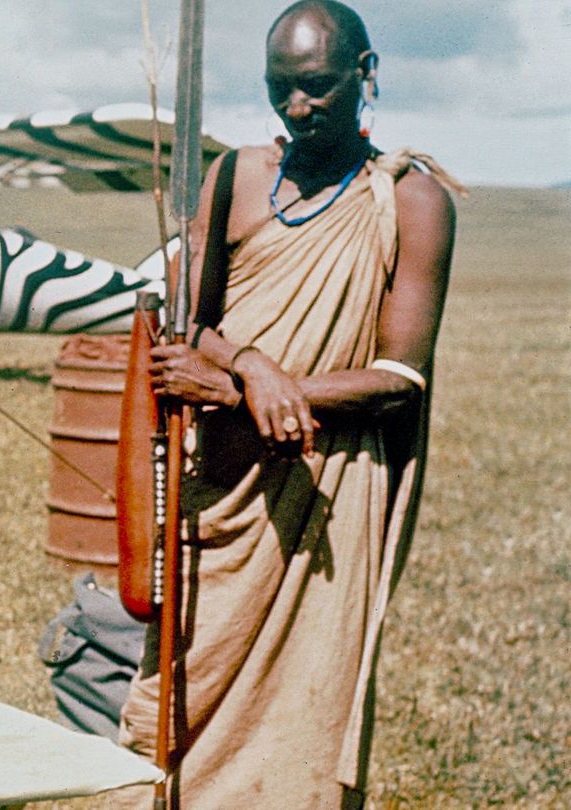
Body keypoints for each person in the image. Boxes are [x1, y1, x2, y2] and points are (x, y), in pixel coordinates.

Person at [117, 2, 461, 807]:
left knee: (299, 734)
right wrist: (249, 367)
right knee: (178, 713)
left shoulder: (412, 201)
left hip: (326, 499)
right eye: (280, 90)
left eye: (316, 88)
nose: (297, 109)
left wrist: (257, 389)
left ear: (365, 75)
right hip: (220, 493)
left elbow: (398, 378)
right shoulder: (235, 175)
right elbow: (187, 324)